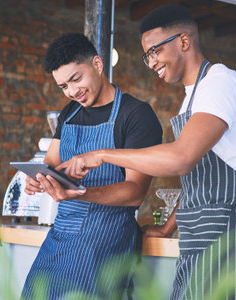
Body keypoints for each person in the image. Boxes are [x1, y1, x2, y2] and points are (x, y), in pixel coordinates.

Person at [58, 5, 236, 300]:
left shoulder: (220, 82)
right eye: (147, 55)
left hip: (233, 242)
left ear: (184, 42)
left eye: (155, 51)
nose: (150, 63)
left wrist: (103, 154)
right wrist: (167, 228)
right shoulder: (194, 97)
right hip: (203, 240)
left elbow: (181, 158)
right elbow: (200, 181)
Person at [20, 33, 162, 300]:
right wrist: (38, 179)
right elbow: (50, 163)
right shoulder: (68, 113)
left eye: (76, 79)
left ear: (97, 64)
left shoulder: (135, 115)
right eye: (63, 86)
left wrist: (82, 193)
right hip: (61, 233)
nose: (72, 92)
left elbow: (135, 192)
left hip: (105, 240)